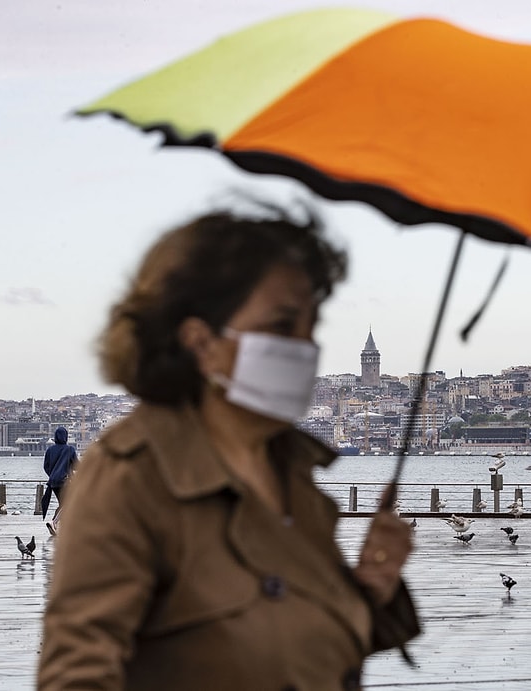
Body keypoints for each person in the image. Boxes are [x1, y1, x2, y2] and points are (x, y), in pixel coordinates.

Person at [38, 208, 419, 690]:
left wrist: (370, 591)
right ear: (201, 341)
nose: (305, 347)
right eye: (283, 326)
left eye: (310, 325)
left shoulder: (288, 470)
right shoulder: (131, 478)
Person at [42, 425, 77, 535]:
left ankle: (57, 525)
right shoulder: (69, 449)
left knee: (63, 504)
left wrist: (53, 475)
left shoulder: (50, 450)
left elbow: (46, 466)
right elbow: (77, 465)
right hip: (65, 481)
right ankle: (54, 522)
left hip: (53, 483)